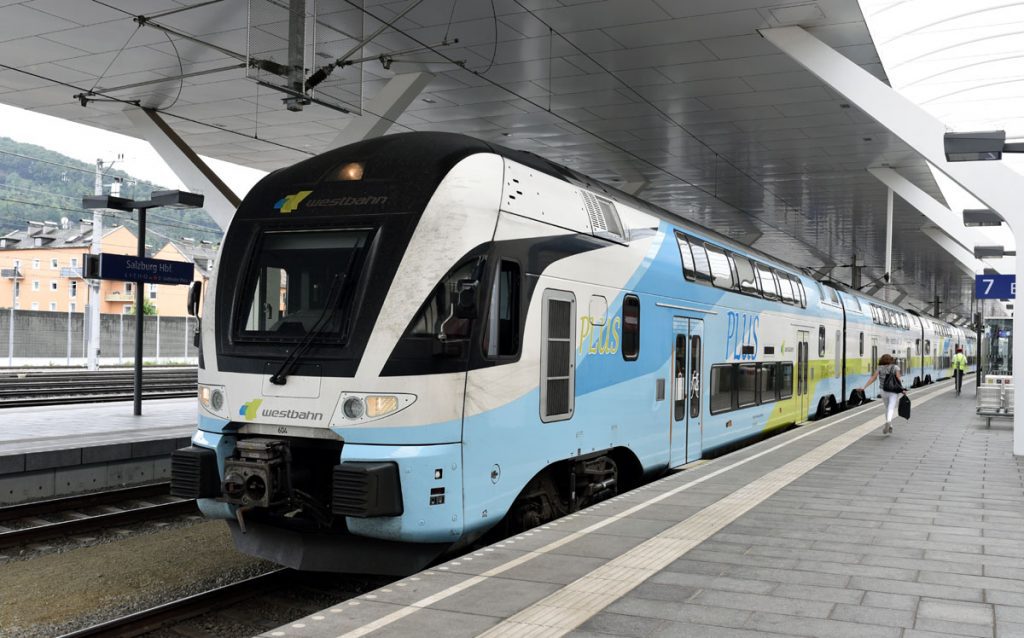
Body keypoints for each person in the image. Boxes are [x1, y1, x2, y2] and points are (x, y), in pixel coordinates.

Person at [859, 353, 906, 435]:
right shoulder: (895, 367)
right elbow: (898, 379)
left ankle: (890, 424)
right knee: (891, 407)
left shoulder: (879, 368)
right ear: (891, 360)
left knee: (887, 407)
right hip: (894, 391)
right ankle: (888, 421)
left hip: (883, 390)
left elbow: (873, 378)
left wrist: (864, 387)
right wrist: (902, 389)